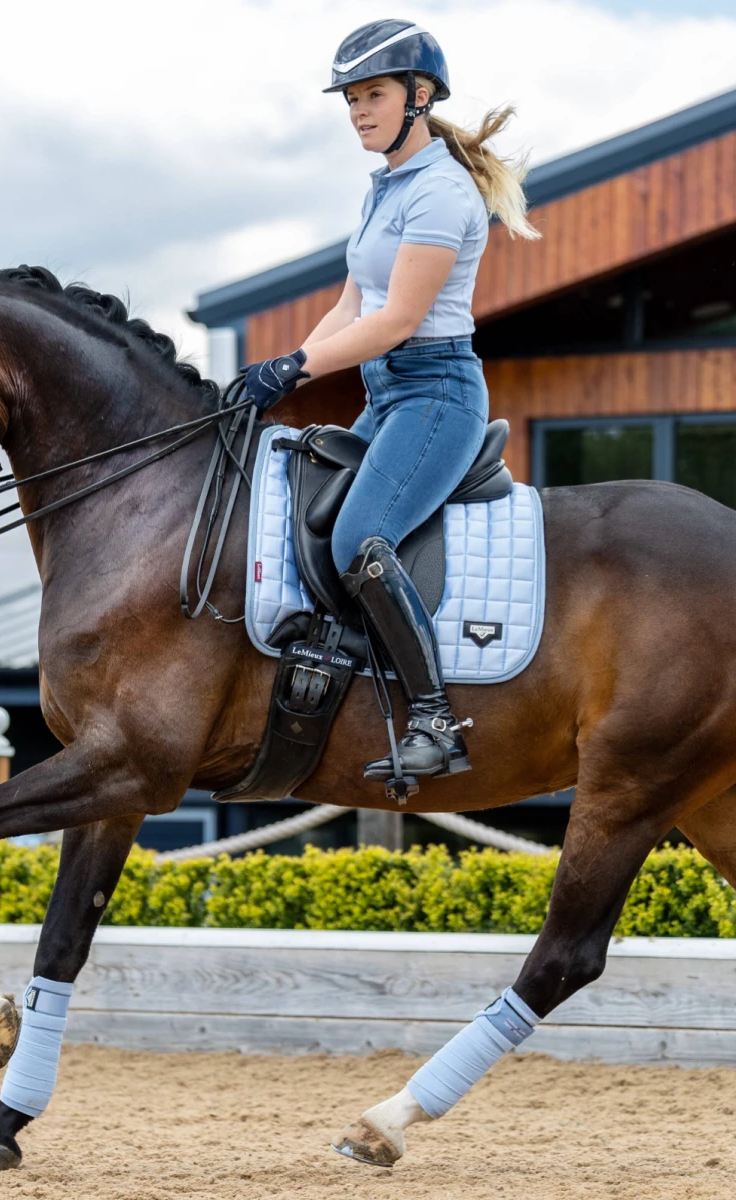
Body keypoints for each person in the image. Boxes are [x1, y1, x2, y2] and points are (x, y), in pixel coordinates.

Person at [243, 19, 539, 784]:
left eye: (372, 95)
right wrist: (279, 375)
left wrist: (294, 364)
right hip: (388, 395)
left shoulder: (441, 191)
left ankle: (437, 718)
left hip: (435, 393)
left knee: (359, 541)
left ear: (420, 95)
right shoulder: (387, 186)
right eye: (350, 100)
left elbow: (397, 320)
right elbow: (351, 305)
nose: (358, 112)